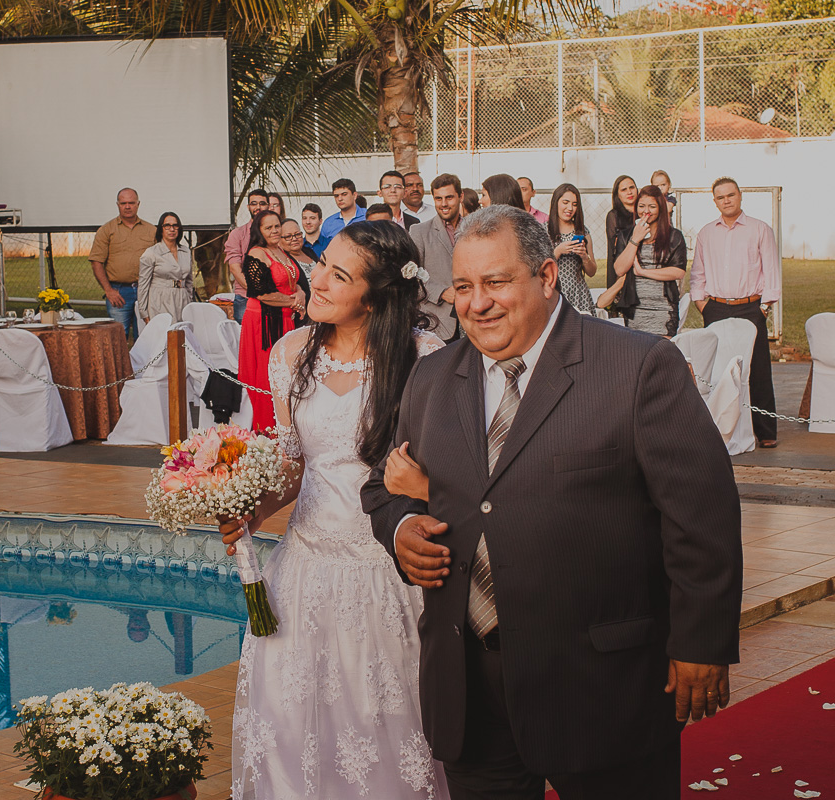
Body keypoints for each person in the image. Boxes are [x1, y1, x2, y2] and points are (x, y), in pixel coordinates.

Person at [362, 204, 742, 800]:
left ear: (544, 276)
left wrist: (701, 642)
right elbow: (382, 485)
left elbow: (700, 514)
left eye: (496, 282)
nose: (476, 303)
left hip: (601, 690)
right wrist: (402, 522)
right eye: (463, 286)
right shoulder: (431, 380)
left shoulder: (638, 367)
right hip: (471, 694)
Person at [222, 221, 447, 800]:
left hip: (389, 573)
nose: (314, 279)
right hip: (303, 573)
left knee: (387, 726)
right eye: (322, 264)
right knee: (294, 731)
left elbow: (456, 473)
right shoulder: (290, 353)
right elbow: (296, 465)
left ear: (374, 295)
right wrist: (245, 511)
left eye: (337, 275)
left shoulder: (426, 357)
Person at [691, 176, 781, 448]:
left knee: (758, 369)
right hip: (715, 307)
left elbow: (771, 271)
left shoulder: (760, 229)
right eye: (721, 197)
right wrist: (701, 303)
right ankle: (718, 427)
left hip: (751, 307)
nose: (726, 200)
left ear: (740, 196)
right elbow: (698, 272)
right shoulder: (706, 233)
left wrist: (764, 307)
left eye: (731, 195)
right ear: (714, 200)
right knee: (718, 369)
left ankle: (766, 432)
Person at [236, 210, 306, 432]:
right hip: (264, 323)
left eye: (277, 226)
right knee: (268, 378)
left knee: (285, 377)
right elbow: (261, 293)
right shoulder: (256, 254)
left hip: (285, 318)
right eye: (269, 228)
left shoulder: (279, 251)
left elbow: (296, 280)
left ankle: (286, 426)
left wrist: (301, 294)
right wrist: (291, 302)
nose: (275, 231)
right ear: (259, 230)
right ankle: (268, 431)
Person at [613, 186, 687, 337]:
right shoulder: (625, 236)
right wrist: (635, 239)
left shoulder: (674, 236)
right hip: (634, 309)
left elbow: (678, 272)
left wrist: (643, 272)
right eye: (641, 206)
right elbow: (620, 269)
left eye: (652, 206)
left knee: (661, 355)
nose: (646, 211)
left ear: (660, 208)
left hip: (663, 309)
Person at [89, 187, 156, 339]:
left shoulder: (151, 230)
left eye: (131, 203)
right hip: (118, 292)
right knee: (117, 338)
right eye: (123, 203)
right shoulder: (106, 230)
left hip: (146, 291)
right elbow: (96, 261)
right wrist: (108, 290)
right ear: (117, 204)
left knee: (146, 336)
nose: (127, 206)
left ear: (138, 204)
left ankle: (144, 364)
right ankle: (120, 364)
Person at [410, 173, 463, 342]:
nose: (444, 204)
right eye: (438, 199)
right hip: (437, 321)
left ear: (460, 197)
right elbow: (410, 277)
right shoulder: (419, 231)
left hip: (472, 317)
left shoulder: (475, 228)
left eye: (449, 197)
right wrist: (441, 293)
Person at [546, 183, 598, 317]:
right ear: (556, 202)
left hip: (578, 294)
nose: (570, 208)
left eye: (575, 204)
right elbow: (537, 267)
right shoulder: (544, 230)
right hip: (554, 291)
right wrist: (558, 251)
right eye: (565, 202)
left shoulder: (583, 231)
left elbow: (592, 272)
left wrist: (584, 257)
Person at [136, 212, 193, 324]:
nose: (171, 229)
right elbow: (143, 285)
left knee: (182, 337)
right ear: (161, 229)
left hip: (182, 300)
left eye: (175, 226)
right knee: (164, 338)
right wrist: (144, 313)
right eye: (167, 226)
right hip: (160, 300)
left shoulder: (186, 252)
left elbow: (189, 281)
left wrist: (189, 301)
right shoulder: (151, 253)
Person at [224, 189, 271, 323]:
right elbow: (235, 268)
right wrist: (256, 291)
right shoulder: (237, 234)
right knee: (246, 340)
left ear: (268, 206)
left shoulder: (276, 233)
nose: (258, 207)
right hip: (245, 297)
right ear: (248, 207)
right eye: (253, 204)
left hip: (274, 298)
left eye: (262, 203)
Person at [314, 178, 366, 257]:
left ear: (354, 195)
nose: (340, 199)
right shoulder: (329, 223)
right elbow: (324, 251)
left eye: (344, 194)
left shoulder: (368, 216)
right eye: (336, 196)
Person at [605, 175, 638, 288]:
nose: (629, 192)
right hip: (622, 266)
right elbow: (613, 248)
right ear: (617, 194)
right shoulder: (613, 216)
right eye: (624, 190)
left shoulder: (644, 212)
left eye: (632, 188)